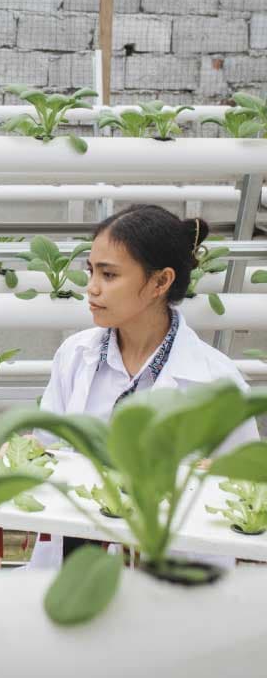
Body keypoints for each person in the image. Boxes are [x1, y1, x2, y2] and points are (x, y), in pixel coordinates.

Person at [30, 204, 260, 568]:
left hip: (171, 574)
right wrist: (28, 453)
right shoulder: (75, 356)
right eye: (91, 271)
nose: (91, 289)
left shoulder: (217, 381)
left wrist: (214, 474)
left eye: (109, 275)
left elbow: (249, 491)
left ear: (160, 282)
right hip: (75, 563)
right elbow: (45, 450)